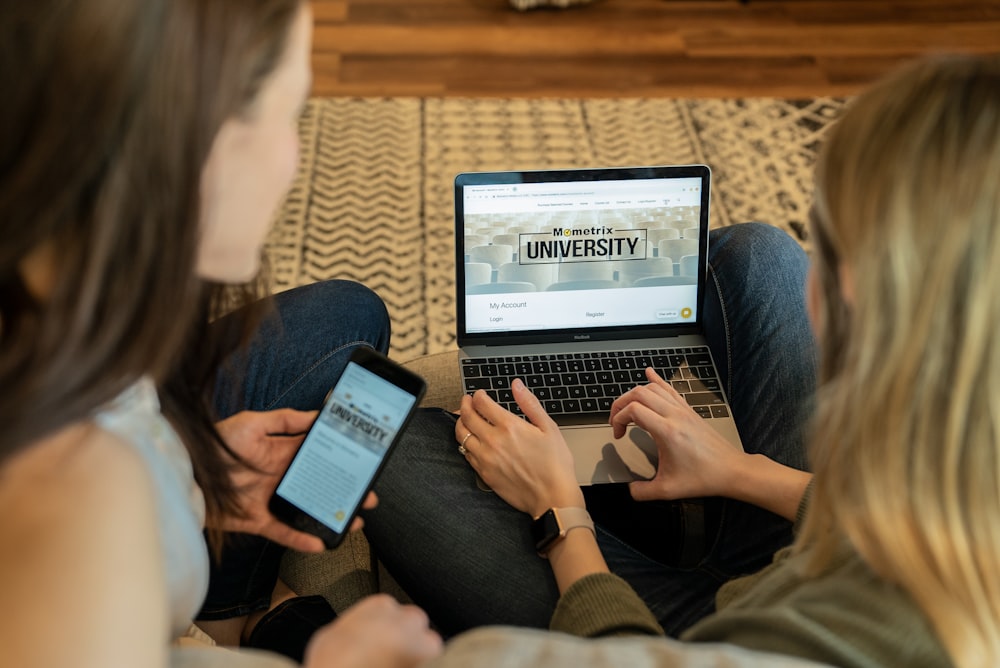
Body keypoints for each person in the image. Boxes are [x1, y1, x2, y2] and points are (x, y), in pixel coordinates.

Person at [365, 53, 1000, 667]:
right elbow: (885, 526)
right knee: (759, 254)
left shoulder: (825, 638)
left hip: (677, 634)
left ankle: (634, 525)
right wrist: (739, 470)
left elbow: (636, 654)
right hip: (799, 550)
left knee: (387, 445)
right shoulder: (959, 476)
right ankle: (678, 517)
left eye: (825, 239)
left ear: (855, 287)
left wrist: (559, 508)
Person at [0, 0, 441, 666]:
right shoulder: (80, 504)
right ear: (195, 142)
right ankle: (243, 619)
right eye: (292, 114)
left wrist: (187, 474)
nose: (296, 160)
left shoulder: (64, 308)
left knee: (348, 315)